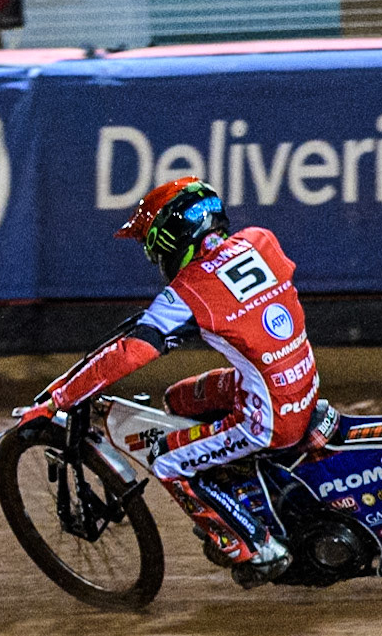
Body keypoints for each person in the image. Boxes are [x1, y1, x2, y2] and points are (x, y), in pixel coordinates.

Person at [16, 177, 320, 587]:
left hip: (269, 417)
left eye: (153, 246)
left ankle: (256, 548)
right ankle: (241, 489)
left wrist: (58, 400)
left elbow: (131, 353)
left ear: (175, 238)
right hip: (299, 382)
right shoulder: (260, 240)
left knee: (166, 459)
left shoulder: (189, 291)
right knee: (179, 400)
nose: (153, 257)